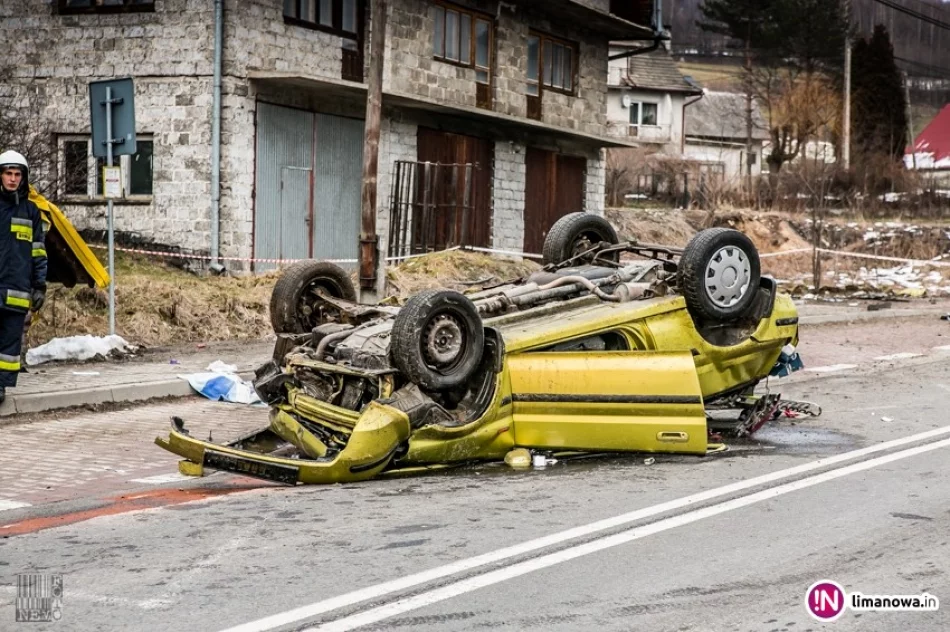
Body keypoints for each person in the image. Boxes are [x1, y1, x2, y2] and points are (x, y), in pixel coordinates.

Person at [0, 150, 47, 404]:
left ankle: (1, 386)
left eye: (17, 174)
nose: (12, 179)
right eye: (8, 173)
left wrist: (40, 285)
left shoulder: (31, 211)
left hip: (17, 290)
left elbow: (38, 251)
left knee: (9, 344)